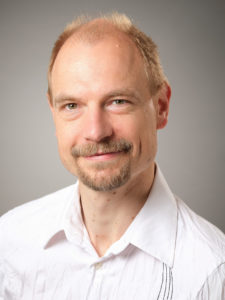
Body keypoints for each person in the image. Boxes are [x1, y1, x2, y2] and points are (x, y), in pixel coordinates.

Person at [0, 13, 224, 300]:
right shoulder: (9, 243)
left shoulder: (213, 274)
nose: (96, 132)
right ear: (52, 113)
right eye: (72, 106)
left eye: (118, 101)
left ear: (162, 107)